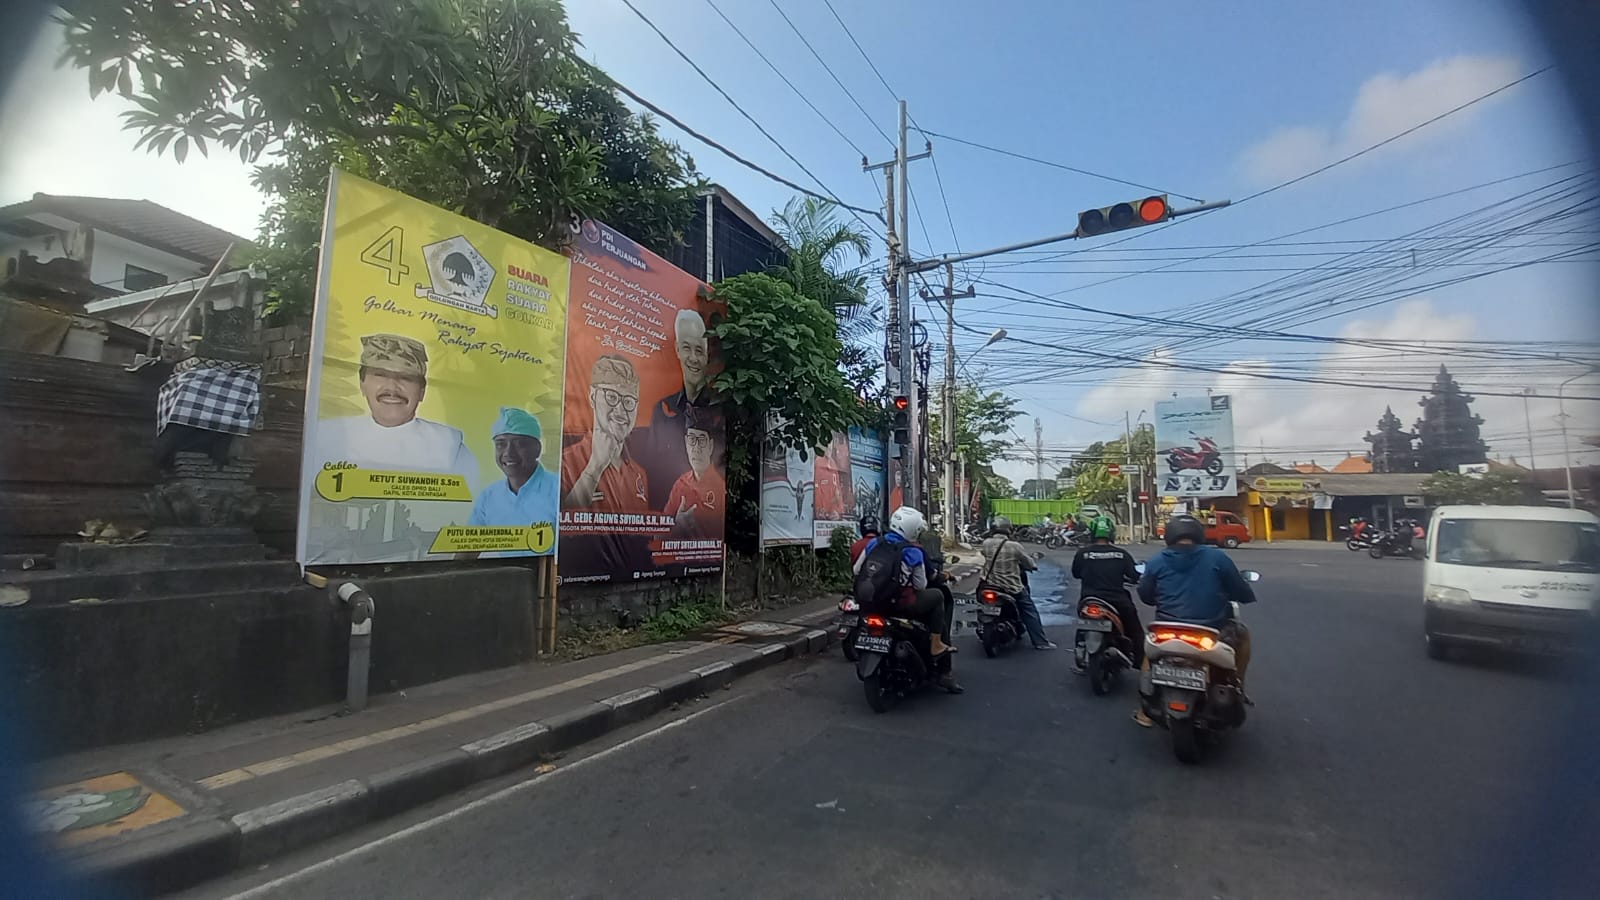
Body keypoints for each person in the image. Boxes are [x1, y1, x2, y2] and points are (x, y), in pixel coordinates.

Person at [310, 333, 479, 489]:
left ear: (422, 391)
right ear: (362, 384)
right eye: (380, 375)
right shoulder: (327, 435)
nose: (392, 388)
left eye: (406, 377)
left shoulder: (448, 446)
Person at [1135, 514, 1258, 726]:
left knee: (1150, 654)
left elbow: (1145, 595)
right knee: (1243, 634)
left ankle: (1145, 711)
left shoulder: (1156, 560)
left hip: (1167, 629)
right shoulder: (1217, 558)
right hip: (1210, 630)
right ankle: (1238, 686)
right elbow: (1239, 589)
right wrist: (1244, 595)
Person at [852, 506, 963, 692]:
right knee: (937, 596)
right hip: (901, 605)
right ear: (913, 531)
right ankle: (937, 646)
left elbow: (857, 570)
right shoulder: (914, 552)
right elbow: (920, 585)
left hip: (871, 601)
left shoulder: (874, 543)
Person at [459, 407, 560, 559]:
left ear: (537, 449)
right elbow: (467, 551)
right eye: (501, 444)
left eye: (519, 444)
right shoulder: (489, 497)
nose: (508, 453)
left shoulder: (560, 489)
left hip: (551, 579)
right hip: (511, 579)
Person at [562, 355, 649, 511]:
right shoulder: (565, 462)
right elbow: (557, 525)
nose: (621, 410)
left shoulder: (639, 475)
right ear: (593, 396)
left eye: (629, 401)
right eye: (611, 397)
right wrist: (594, 468)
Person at [1070, 517, 1144, 669]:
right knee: (1135, 629)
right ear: (1111, 533)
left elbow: (1076, 574)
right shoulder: (1121, 554)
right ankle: (1139, 661)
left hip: (1089, 600)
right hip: (1117, 600)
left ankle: (1080, 649)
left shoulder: (1082, 553)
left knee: (1082, 626)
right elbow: (1134, 576)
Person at [980, 516, 1055, 650]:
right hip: (1011, 587)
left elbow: (984, 556)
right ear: (1008, 530)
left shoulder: (986, 543)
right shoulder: (1015, 546)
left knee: (980, 602)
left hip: (989, 585)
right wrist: (1032, 566)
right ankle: (1041, 642)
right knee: (1029, 610)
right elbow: (1029, 563)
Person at [663, 406, 724, 540]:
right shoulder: (680, 484)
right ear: (686, 444)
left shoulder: (721, 488)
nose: (696, 448)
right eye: (692, 439)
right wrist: (677, 525)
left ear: (710, 446)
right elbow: (658, 536)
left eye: (701, 441)